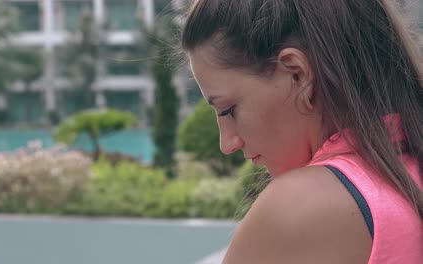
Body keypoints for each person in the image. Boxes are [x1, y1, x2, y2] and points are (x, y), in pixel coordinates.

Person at [181, 0, 422, 263]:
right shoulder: (406, 175)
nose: (227, 143)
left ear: (296, 74)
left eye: (228, 110)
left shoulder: (302, 208)